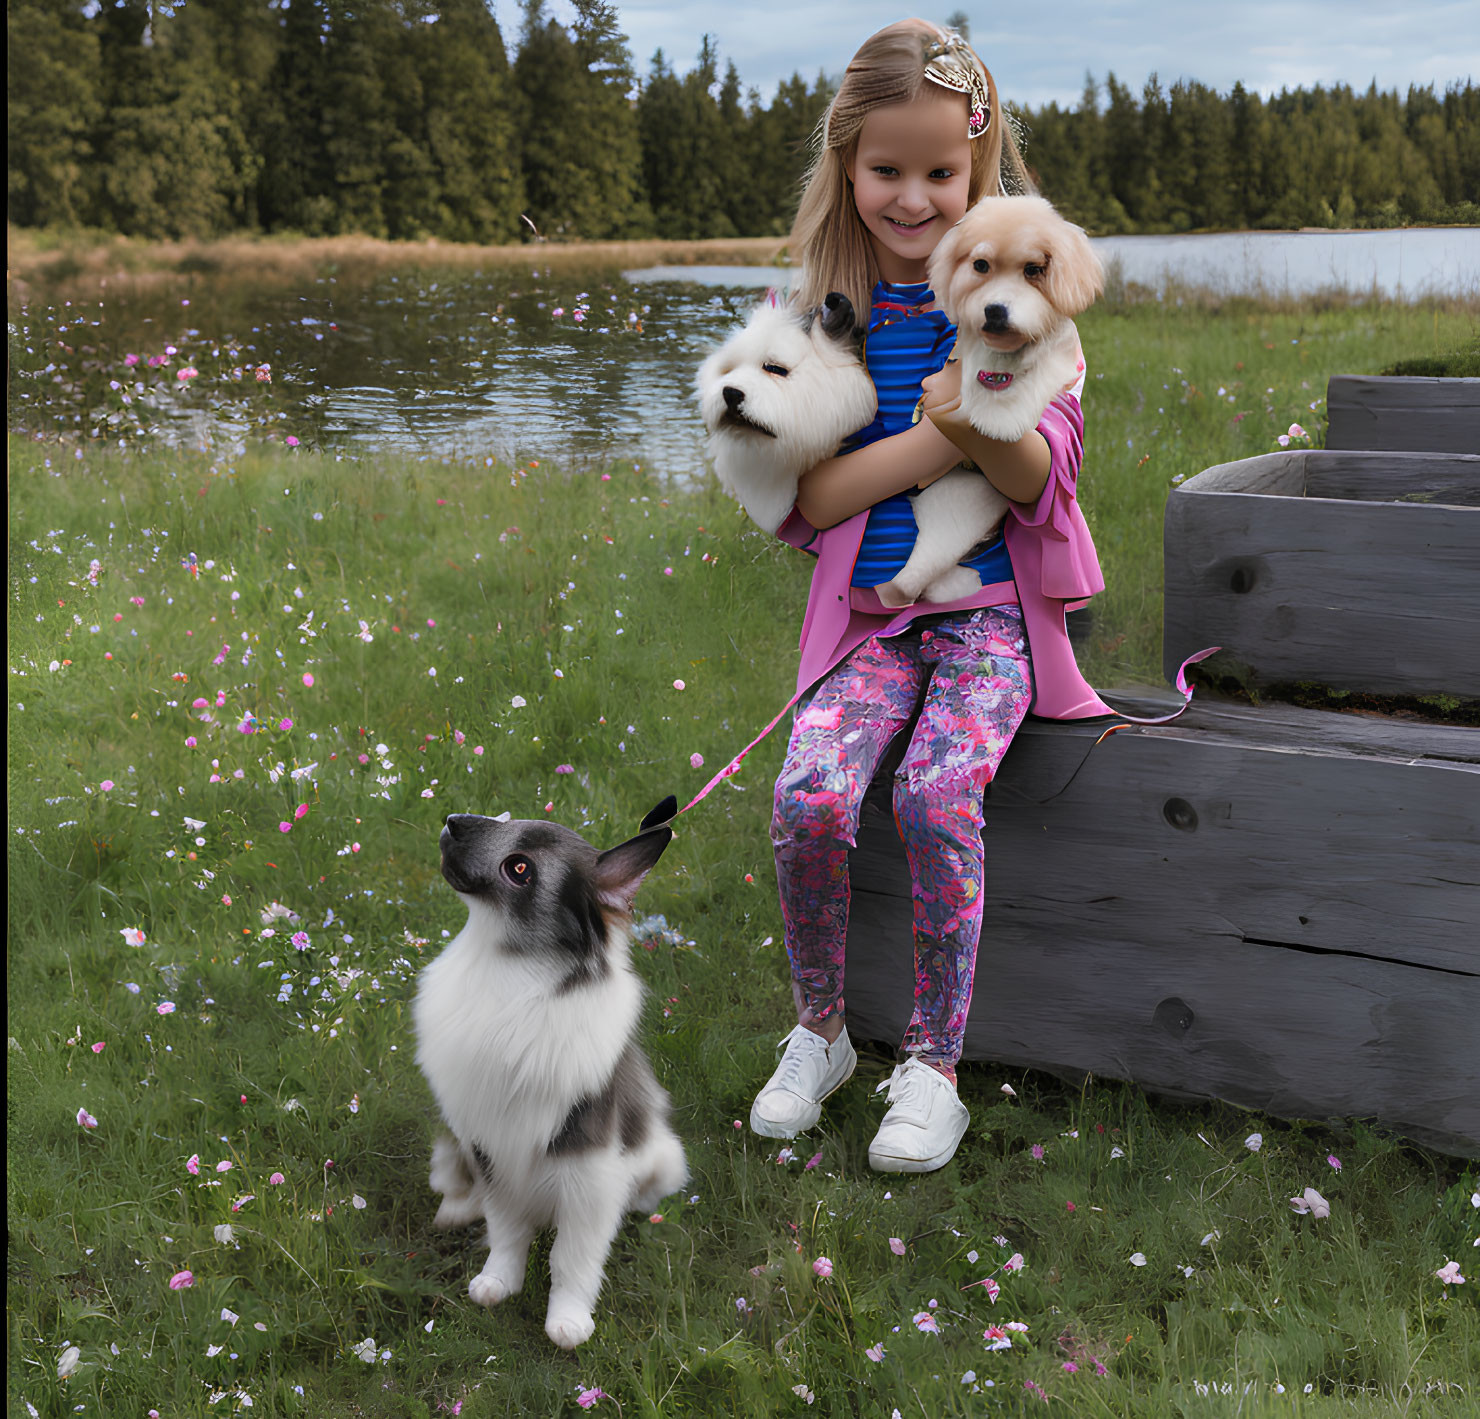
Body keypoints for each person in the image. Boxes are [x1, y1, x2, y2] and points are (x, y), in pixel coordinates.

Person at [749, 19, 1114, 1173]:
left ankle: (933, 1063)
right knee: (810, 796)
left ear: (979, 165)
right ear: (845, 167)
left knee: (936, 790)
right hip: (868, 617)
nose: (913, 198)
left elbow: (1036, 477)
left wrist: (979, 420)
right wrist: (937, 430)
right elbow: (802, 497)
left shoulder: (1024, 289)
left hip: (992, 617)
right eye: (885, 171)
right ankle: (819, 1030)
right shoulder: (813, 312)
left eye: (939, 173)